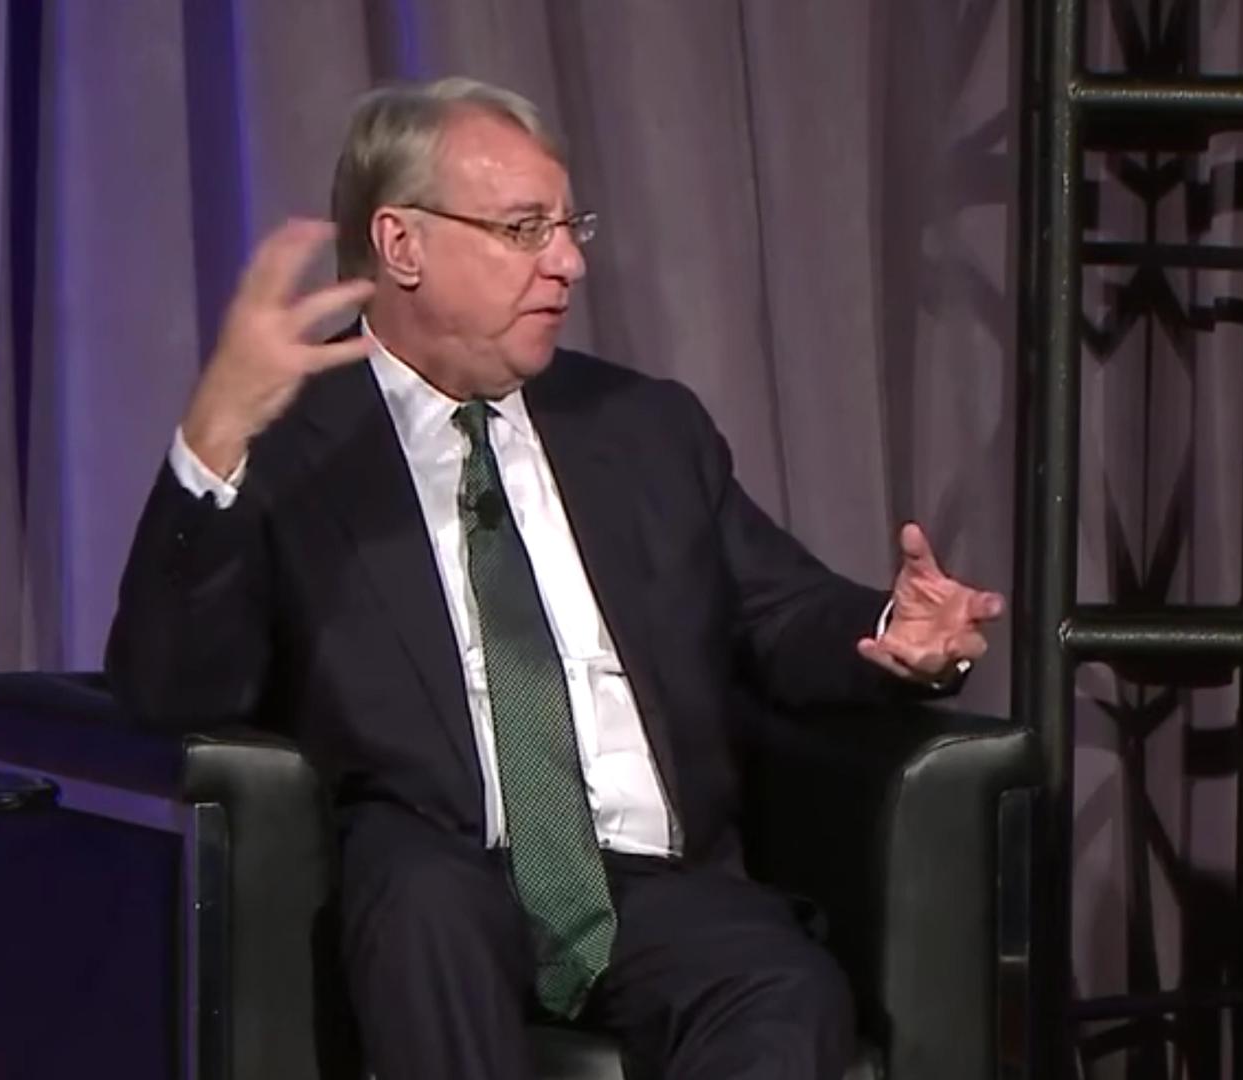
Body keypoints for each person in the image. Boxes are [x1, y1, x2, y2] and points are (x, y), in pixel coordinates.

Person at [107, 76, 1005, 1080]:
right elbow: (173, 691)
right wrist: (213, 442)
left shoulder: (642, 427)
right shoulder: (292, 441)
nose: (568, 262)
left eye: (568, 227)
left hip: (648, 883)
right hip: (434, 873)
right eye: (523, 229)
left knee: (782, 986)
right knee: (420, 904)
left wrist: (892, 632)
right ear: (402, 245)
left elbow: (778, 610)